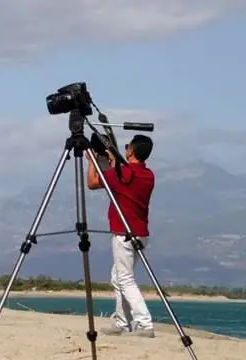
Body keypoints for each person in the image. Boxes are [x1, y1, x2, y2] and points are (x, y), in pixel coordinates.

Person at [86, 134, 155, 338]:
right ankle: (122, 322)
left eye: (127, 147)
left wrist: (92, 161)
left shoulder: (123, 175)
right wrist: (115, 163)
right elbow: (124, 180)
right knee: (118, 277)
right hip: (140, 233)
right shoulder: (148, 175)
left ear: (130, 151)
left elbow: (92, 183)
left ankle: (144, 323)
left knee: (125, 279)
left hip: (123, 233)